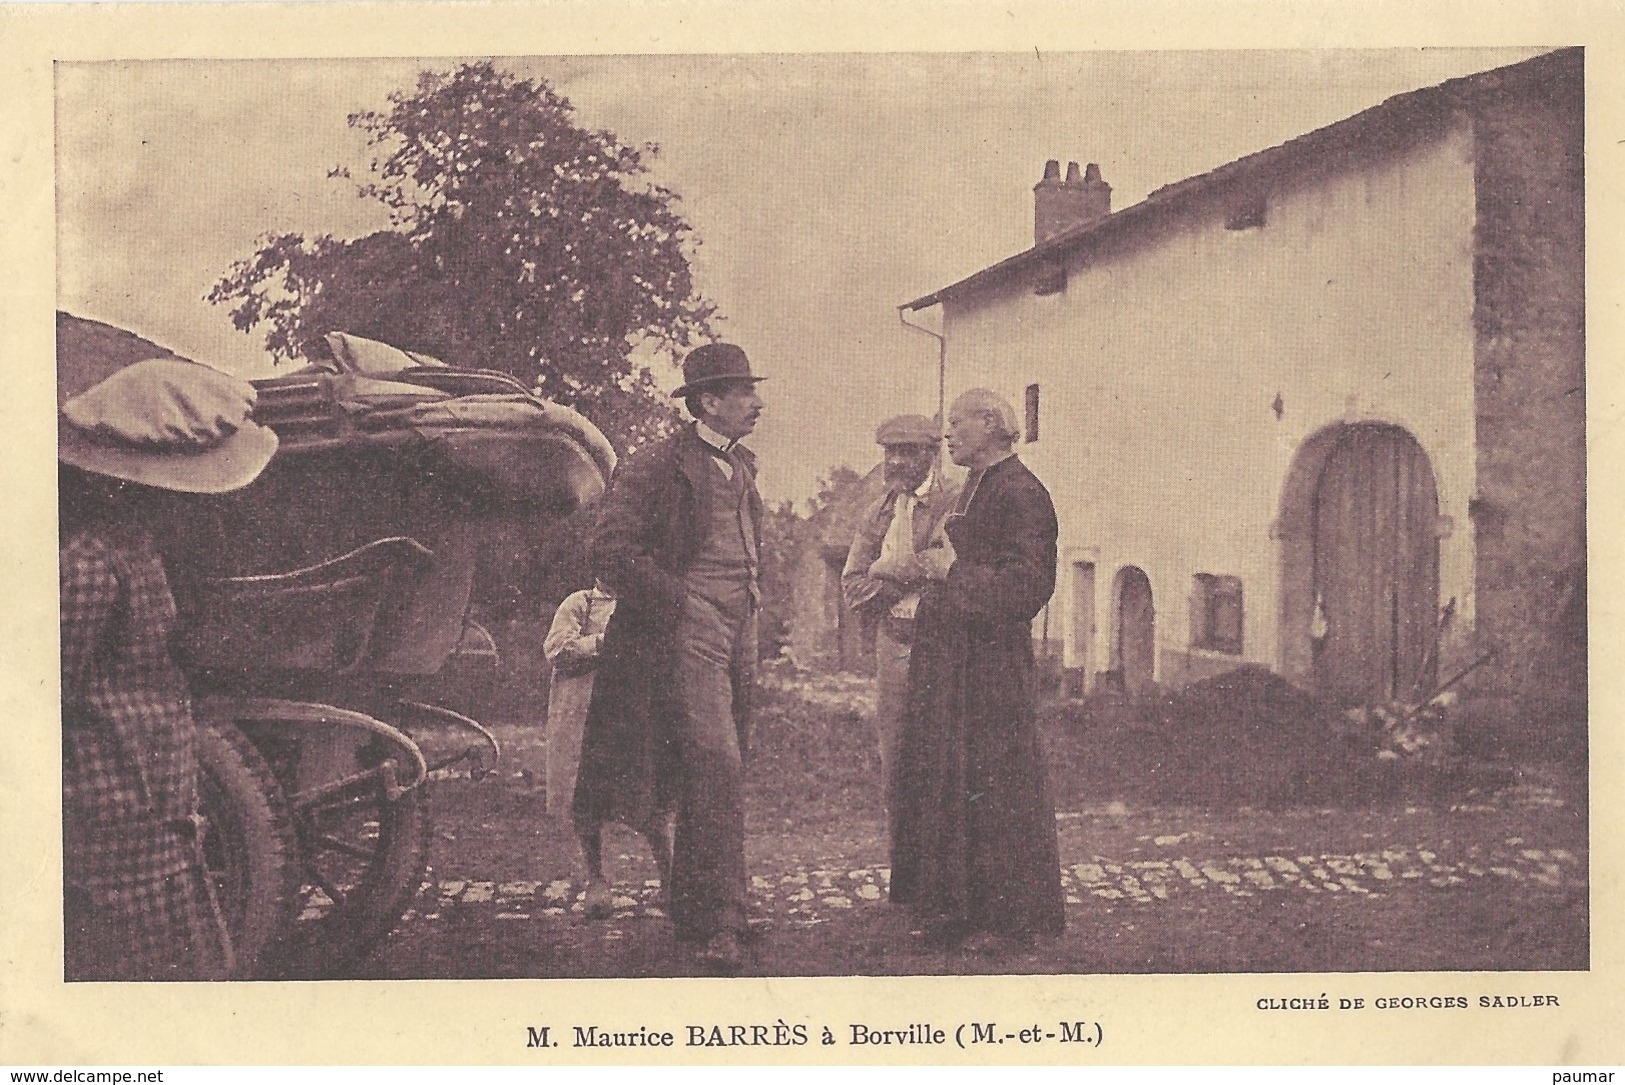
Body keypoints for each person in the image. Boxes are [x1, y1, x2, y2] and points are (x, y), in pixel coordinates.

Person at [57, 355, 279, 981]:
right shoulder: (90, 563)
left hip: (157, 805)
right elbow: (50, 693)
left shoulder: (138, 550)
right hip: (110, 806)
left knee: (192, 956)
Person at [573, 342, 766, 974]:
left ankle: (700, 905)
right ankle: (721, 922)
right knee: (718, 766)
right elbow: (608, 549)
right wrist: (683, 602)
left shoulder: (743, 466)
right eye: (745, 394)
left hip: (741, 628)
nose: (757, 403)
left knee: (724, 765)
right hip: (689, 631)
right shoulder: (657, 466)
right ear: (710, 402)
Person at [888, 388, 1066, 952]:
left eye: (958, 423)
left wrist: (951, 573)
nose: (949, 434)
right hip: (955, 664)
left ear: (990, 425)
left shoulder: (1022, 493)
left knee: (994, 785)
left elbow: (1028, 587)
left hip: (990, 671)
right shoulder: (977, 487)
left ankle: (1011, 921)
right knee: (953, 783)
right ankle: (957, 908)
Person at [841, 414, 960, 847]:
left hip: (942, 644)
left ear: (931, 454)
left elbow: (948, 569)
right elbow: (853, 584)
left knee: (943, 759)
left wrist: (890, 568)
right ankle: (905, 874)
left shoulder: (956, 503)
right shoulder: (879, 511)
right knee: (896, 762)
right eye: (889, 452)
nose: (894, 462)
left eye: (906, 452)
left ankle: (943, 872)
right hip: (893, 642)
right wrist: (899, 575)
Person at [544, 579, 671, 918]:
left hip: (629, 719)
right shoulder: (580, 604)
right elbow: (557, 648)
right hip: (587, 720)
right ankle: (596, 881)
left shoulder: (641, 604)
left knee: (649, 800)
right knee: (586, 803)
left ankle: (672, 882)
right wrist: (604, 643)